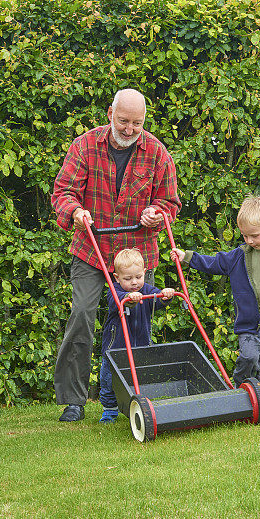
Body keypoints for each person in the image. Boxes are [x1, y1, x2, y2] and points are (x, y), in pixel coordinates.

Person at [51, 88, 181, 422]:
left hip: (136, 259)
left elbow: (170, 202)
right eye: (123, 121)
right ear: (110, 113)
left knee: (135, 325)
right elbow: (63, 193)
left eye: (136, 123)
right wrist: (76, 212)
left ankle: (132, 398)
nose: (129, 129)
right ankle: (74, 401)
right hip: (91, 251)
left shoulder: (156, 152)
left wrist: (157, 212)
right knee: (81, 315)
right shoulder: (84, 146)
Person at [172, 195, 260, 399]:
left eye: (254, 236)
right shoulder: (239, 255)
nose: (249, 240)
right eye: (244, 236)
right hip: (249, 325)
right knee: (248, 357)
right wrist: (187, 257)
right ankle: (239, 393)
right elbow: (214, 263)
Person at [99, 248, 175, 423]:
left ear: (144, 273)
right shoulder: (114, 291)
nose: (134, 282)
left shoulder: (147, 289)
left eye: (138, 277)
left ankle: (138, 405)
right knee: (109, 381)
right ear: (117, 278)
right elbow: (117, 301)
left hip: (139, 347)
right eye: (128, 278)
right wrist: (128, 297)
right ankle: (109, 410)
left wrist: (166, 296)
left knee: (138, 379)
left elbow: (158, 300)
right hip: (115, 349)